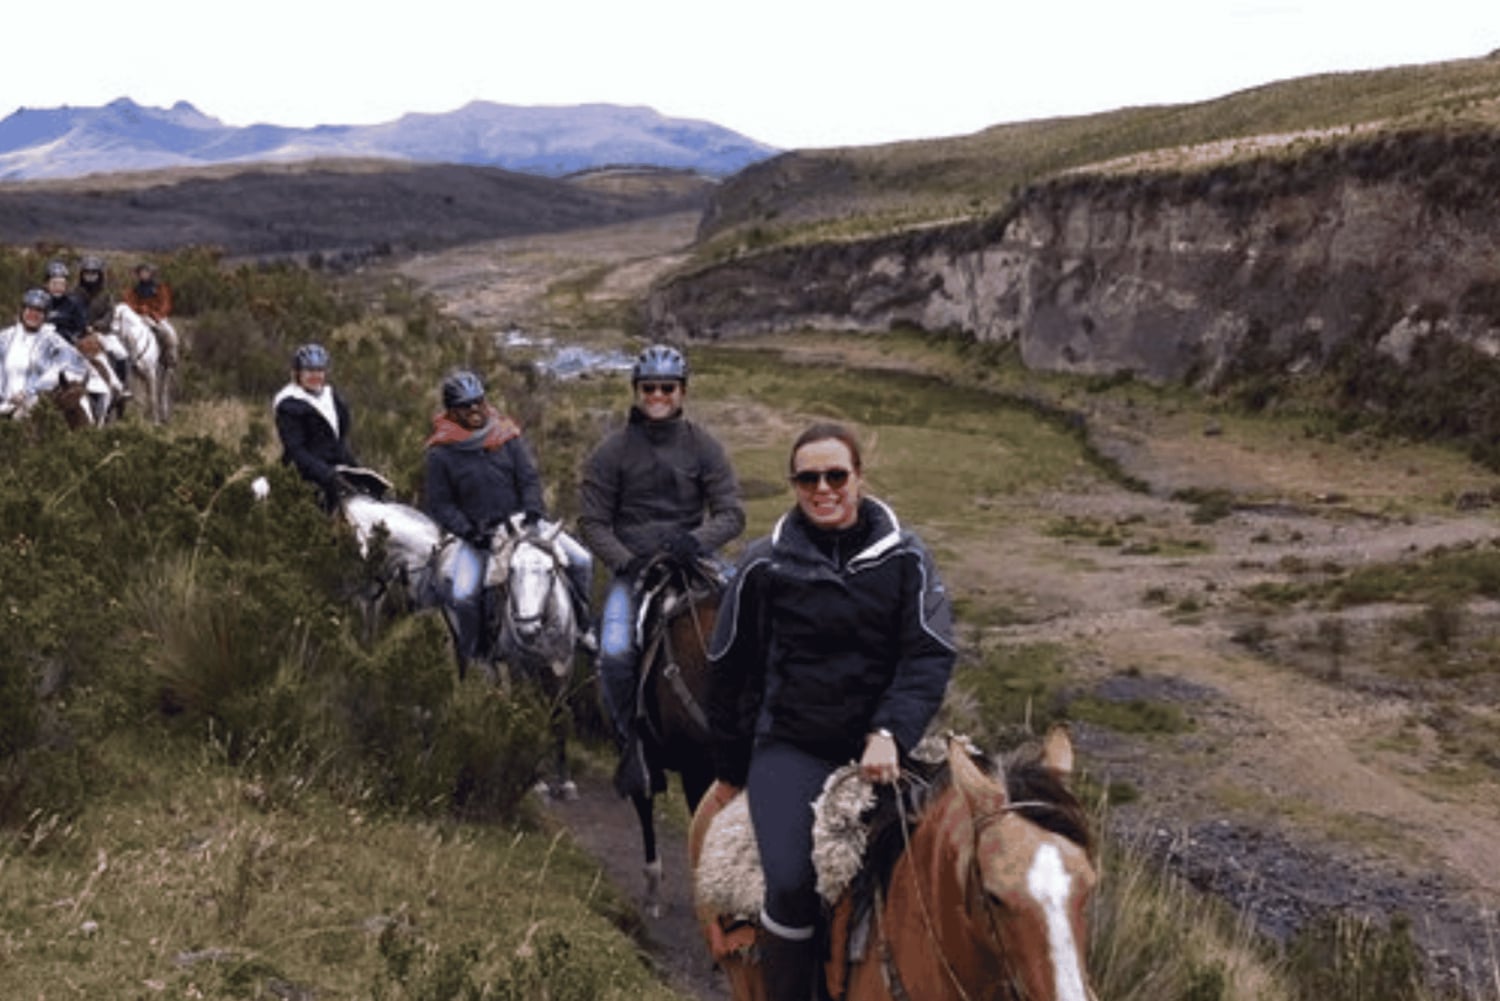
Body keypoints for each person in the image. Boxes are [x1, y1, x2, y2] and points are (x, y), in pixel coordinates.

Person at [705, 421, 957, 1001]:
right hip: (793, 745)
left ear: (859, 478)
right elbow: (729, 671)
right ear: (794, 484)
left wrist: (890, 731)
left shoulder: (907, 559)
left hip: (888, 746)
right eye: (808, 478)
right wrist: (729, 770)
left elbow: (928, 654)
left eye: (836, 475)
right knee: (793, 883)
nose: (824, 488)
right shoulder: (763, 566)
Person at [578, 343, 746, 798]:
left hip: (694, 558)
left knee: (754, 623)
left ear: (682, 392)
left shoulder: (704, 446)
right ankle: (633, 746)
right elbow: (592, 522)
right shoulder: (611, 451)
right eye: (649, 388)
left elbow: (731, 513)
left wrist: (695, 541)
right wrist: (624, 560)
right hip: (635, 566)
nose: (657, 395)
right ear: (636, 391)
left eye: (666, 388)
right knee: (613, 651)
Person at [424, 369, 596, 674]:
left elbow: (528, 478)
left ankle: (583, 627)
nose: (475, 410)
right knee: (464, 594)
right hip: (481, 533)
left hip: (524, 523)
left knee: (581, 560)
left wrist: (533, 511)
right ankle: (478, 654)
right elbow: (440, 504)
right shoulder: (441, 454)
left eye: (478, 402)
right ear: (452, 411)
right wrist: (469, 531)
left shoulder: (507, 436)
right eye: (466, 406)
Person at [273, 342, 360, 510]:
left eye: (319, 370)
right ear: (298, 373)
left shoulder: (332, 397)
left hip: (334, 471)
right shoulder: (289, 405)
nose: (315, 376)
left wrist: (357, 471)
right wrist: (327, 475)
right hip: (304, 476)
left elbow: (338, 443)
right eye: (309, 371)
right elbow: (296, 451)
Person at [0, 288, 92, 421]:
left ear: (46, 315)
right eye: (30, 309)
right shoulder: (4, 338)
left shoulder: (54, 342)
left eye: (39, 311)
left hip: (35, 405)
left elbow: (62, 369)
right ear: (22, 311)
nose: (33, 314)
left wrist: (28, 392)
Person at [123, 260, 179, 367]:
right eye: (141, 272)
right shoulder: (134, 290)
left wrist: (155, 314)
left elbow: (165, 304)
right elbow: (128, 304)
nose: (143, 274)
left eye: (146, 272)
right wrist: (139, 311)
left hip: (156, 317)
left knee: (170, 334)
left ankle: (170, 357)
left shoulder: (160, 288)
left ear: (152, 274)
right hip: (139, 318)